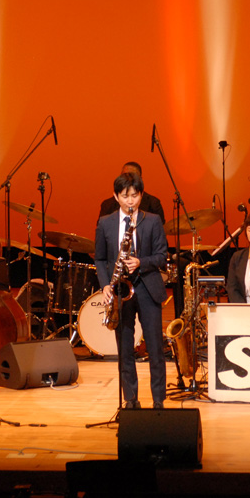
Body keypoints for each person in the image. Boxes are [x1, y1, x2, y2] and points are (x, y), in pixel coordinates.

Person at [95, 172, 169, 408]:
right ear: (116, 196)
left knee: (155, 348)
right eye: (125, 196)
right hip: (120, 290)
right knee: (125, 349)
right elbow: (100, 259)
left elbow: (162, 256)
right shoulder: (105, 222)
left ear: (141, 195)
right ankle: (130, 399)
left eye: (134, 196)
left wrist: (140, 262)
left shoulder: (152, 220)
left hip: (148, 288)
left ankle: (158, 401)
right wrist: (105, 285)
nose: (130, 201)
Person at [97, 161, 166, 224]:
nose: (128, 180)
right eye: (125, 176)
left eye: (133, 177)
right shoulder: (108, 205)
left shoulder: (153, 204)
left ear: (140, 179)